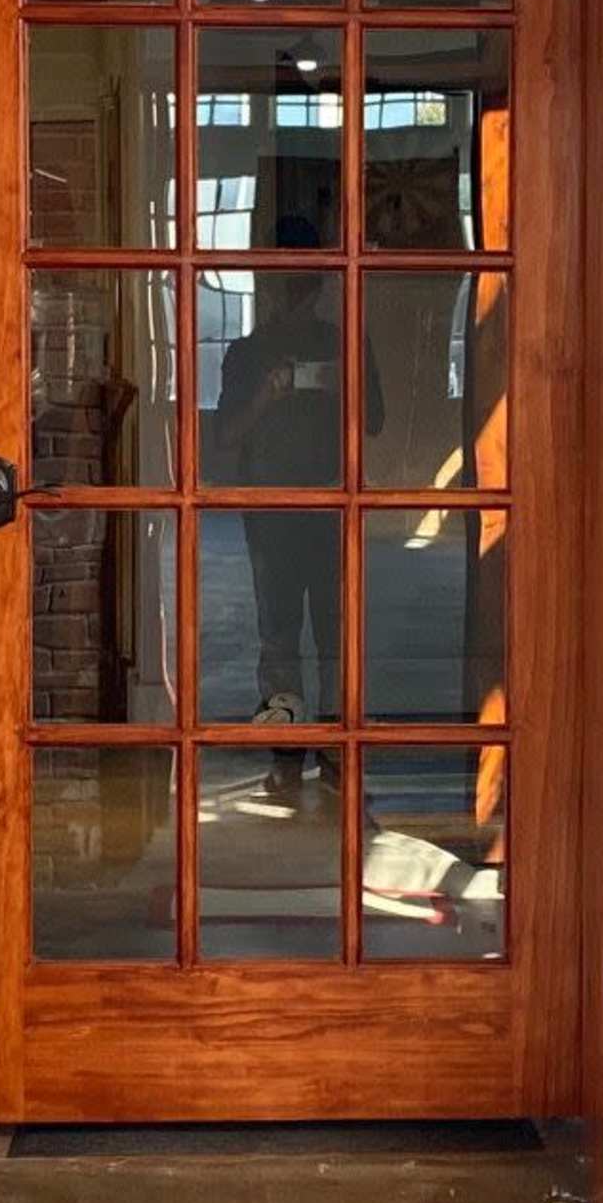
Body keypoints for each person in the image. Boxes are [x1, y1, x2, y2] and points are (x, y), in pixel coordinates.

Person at [210, 222, 380, 788]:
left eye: (298, 284)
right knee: (279, 634)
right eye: (284, 283)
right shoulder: (247, 354)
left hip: (334, 507)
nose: (289, 294)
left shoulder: (347, 344)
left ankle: (334, 747)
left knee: (334, 633)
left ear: (314, 287)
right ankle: (286, 748)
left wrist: (339, 387)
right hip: (273, 515)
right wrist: (268, 394)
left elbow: (374, 419)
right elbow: (227, 436)